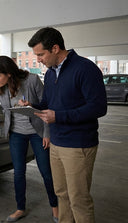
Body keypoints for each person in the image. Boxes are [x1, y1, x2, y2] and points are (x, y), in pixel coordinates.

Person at [24, 27, 107, 223]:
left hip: (78, 144)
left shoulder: (85, 68)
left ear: (55, 48)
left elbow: (99, 107)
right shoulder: (51, 73)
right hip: (57, 142)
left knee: (78, 198)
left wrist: (59, 116)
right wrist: (31, 106)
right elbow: (49, 104)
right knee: (61, 193)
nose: (39, 60)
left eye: (41, 54)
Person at [0, 56, 58, 222]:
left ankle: (55, 208)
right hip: (16, 133)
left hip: (37, 132)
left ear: (8, 73)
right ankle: (20, 208)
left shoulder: (32, 80)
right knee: (18, 173)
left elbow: (48, 105)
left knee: (46, 173)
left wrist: (47, 134)